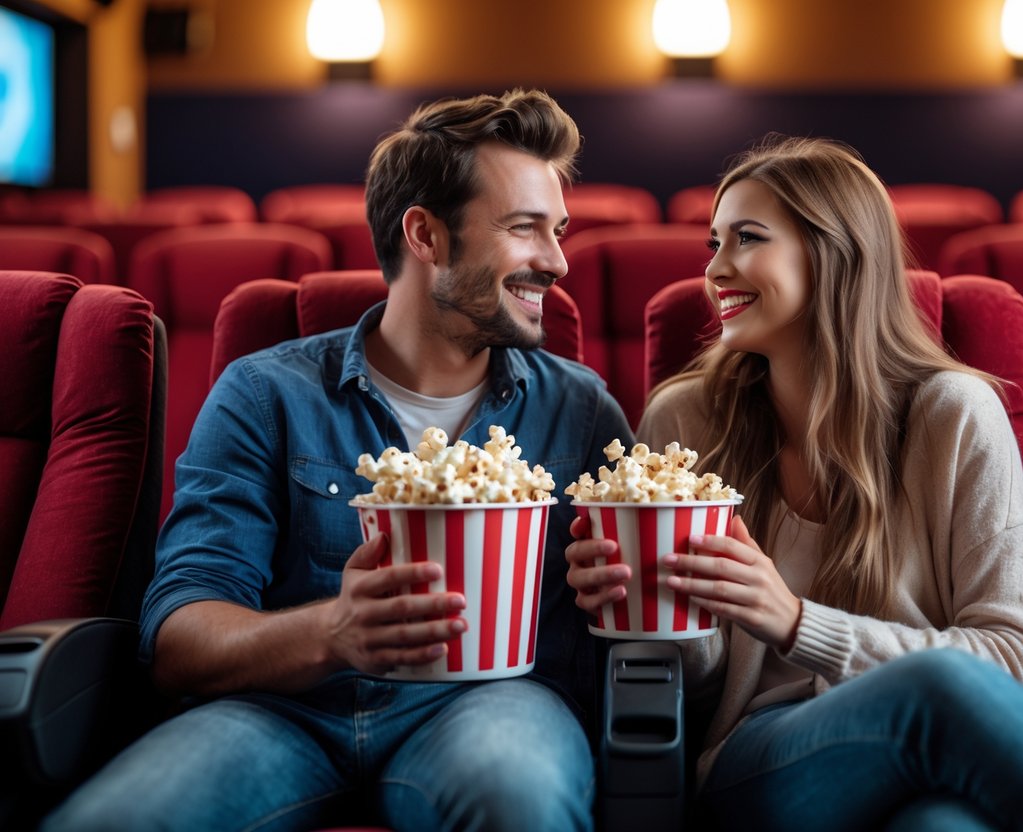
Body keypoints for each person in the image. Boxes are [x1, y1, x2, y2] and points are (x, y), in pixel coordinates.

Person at [44, 89, 632, 832]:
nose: (555, 261)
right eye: (524, 229)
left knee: (516, 796)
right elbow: (178, 636)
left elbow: (634, 624)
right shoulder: (264, 394)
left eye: (558, 231)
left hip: (492, 701)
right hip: (281, 710)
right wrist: (332, 632)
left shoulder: (582, 412)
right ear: (425, 234)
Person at [565, 136, 1023, 831]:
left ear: (834, 256)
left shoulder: (956, 413)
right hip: (767, 757)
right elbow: (696, 684)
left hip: (954, 745)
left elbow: (1014, 659)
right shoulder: (685, 415)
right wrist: (644, 606)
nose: (716, 269)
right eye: (713, 243)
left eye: (747, 238)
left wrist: (797, 624)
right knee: (937, 688)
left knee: (943, 827)